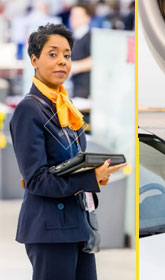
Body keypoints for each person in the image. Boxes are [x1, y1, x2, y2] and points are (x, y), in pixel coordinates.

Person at [9, 23, 125, 280]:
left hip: (76, 222)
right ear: (34, 60)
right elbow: (36, 180)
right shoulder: (29, 110)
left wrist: (95, 171)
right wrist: (90, 179)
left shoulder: (64, 105)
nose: (62, 61)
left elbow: (71, 162)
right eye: (53, 54)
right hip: (49, 228)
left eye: (67, 55)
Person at [69, 3, 93, 99]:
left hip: (85, 91)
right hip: (73, 88)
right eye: (72, 15)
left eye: (78, 16)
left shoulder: (90, 37)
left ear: (87, 18)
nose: (74, 19)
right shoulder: (73, 38)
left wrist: (74, 67)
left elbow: (96, 59)